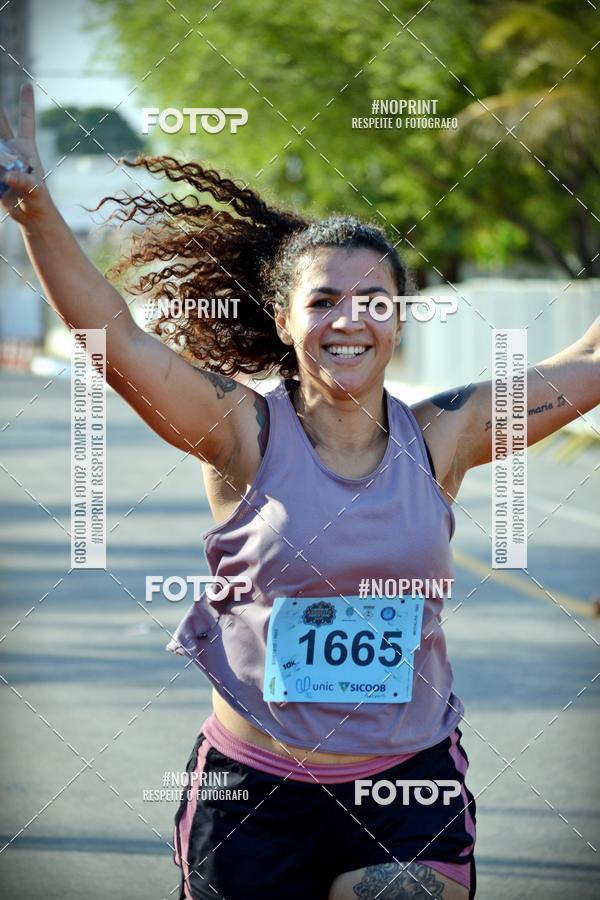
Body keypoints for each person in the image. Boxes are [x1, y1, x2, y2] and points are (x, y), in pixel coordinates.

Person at [2, 84, 599, 900]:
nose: (348, 319)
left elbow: (588, 364)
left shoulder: (445, 435)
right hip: (251, 799)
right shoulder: (241, 435)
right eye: (322, 300)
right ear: (285, 321)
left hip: (406, 793)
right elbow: (120, 342)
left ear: (398, 319)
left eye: (373, 301)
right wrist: (35, 208)